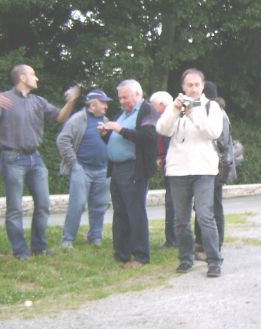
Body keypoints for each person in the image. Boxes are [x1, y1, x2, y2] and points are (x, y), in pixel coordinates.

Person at [0, 64, 80, 259]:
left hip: (35, 158)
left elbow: (60, 117)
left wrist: (71, 101)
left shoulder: (38, 101)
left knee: (43, 204)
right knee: (15, 207)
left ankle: (39, 247)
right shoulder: (5, 100)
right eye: (33, 75)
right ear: (22, 78)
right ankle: (19, 251)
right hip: (12, 158)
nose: (37, 78)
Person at [156, 69, 223, 277]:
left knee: (205, 216)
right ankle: (186, 258)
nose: (193, 89)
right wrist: (175, 110)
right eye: (189, 85)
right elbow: (162, 129)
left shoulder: (212, 107)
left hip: (204, 169)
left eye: (196, 85)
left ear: (202, 86)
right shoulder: (174, 108)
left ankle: (214, 260)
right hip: (178, 170)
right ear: (183, 87)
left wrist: (192, 113)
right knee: (181, 220)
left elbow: (213, 132)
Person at [98, 79, 158, 268]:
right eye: (120, 98)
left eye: (125, 97)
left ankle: (140, 256)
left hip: (133, 168)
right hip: (116, 169)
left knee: (135, 212)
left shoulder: (147, 111)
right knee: (120, 212)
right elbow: (118, 138)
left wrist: (120, 129)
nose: (122, 101)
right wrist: (106, 133)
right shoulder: (122, 114)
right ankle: (121, 253)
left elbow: (149, 136)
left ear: (138, 95)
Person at [57, 89, 112, 248]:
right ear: (92, 104)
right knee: (78, 204)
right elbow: (62, 140)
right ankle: (67, 239)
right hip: (83, 169)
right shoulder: (77, 119)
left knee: (100, 205)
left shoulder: (106, 120)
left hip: (103, 169)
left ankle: (95, 237)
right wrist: (74, 164)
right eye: (103, 103)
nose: (106, 106)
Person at [194, 81, 236, 258]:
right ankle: (202, 242)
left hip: (216, 166)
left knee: (214, 206)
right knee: (203, 205)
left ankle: (215, 245)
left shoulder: (217, 112)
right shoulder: (210, 110)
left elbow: (221, 141)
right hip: (207, 165)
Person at [149, 91, 176, 249]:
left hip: (175, 167)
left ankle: (173, 240)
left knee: (172, 204)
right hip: (168, 164)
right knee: (171, 203)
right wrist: (160, 157)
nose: (151, 109)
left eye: (153, 106)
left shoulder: (173, 117)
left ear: (161, 105)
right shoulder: (163, 119)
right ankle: (173, 239)